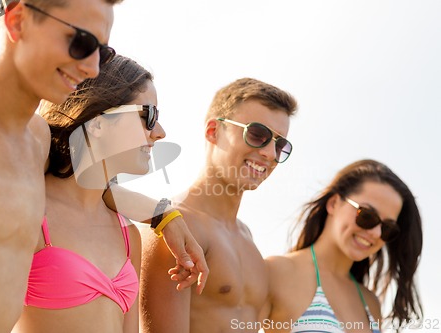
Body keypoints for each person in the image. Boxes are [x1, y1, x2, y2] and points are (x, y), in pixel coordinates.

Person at [0, 1, 206, 332]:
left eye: (101, 50)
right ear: (18, 20)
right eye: (81, 43)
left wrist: (164, 215)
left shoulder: (34, 141)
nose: (93, 68)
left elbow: (80, 184)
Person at [13, 54, 166, 333]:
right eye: (149, 116)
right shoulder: (31, 215)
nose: (160, 133)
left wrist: (166, 215)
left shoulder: (128, 235)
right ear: (97, 123)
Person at [139, 78, 298, 333]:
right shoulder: (174, 226)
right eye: (258, 134)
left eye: (280, 145)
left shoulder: (248, 239)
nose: (269, 153)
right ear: (213, 131)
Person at [264, 159, 423, 333]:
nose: (376, 233)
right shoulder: (275, 272)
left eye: (387, 228)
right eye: (367, 216)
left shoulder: (370, 303)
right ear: (333, 204)